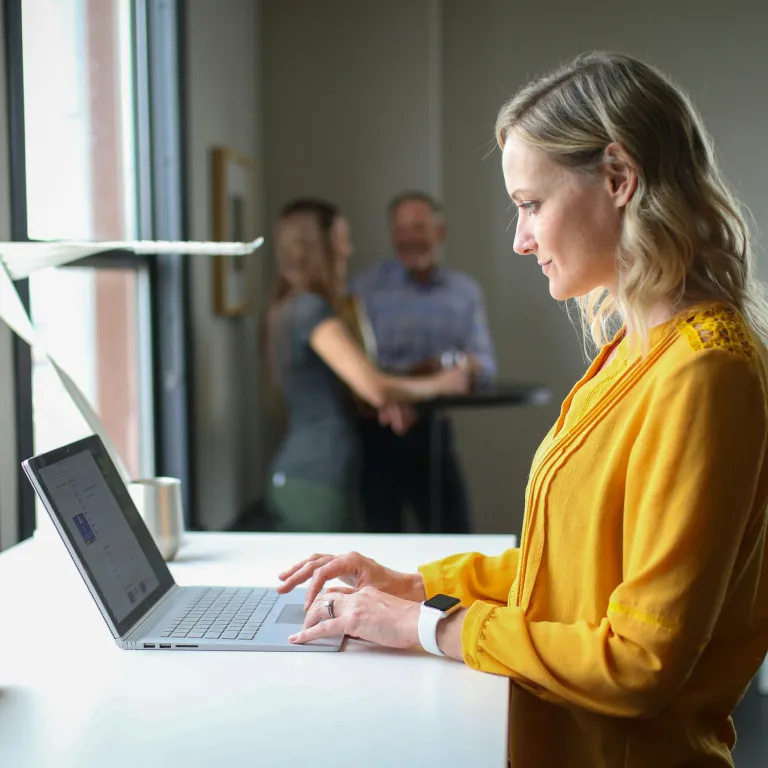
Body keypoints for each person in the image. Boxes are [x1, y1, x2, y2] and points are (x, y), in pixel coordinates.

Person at [275, 53, 768, 767]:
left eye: (531, 204)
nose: (520, 238)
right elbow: (566, 574)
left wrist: (430, 627)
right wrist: (416, 587)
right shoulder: (635, 351)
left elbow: (638, 662)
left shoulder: (705, 371)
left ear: (620, 179)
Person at [263, 198, 471, 533]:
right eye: (341, 239)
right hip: (315, 480)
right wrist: (442, 384)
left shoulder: (291, 307)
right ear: (319, 247)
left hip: (309, 477)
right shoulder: (311, 311)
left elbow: (352, 390)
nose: (349, 249)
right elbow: (373, 384)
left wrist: (384, 402)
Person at [350, 191, 497, 534]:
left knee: (454, 537)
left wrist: (457, 367)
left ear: (439, 232)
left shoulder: (464, 291)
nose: (409, 238)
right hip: (377, 434)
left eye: (418, 227)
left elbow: (486, 367)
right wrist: (415, 380)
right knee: (381, 544)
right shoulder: (363, 289)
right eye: (401, 229)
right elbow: (356, 369)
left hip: (434, 434)